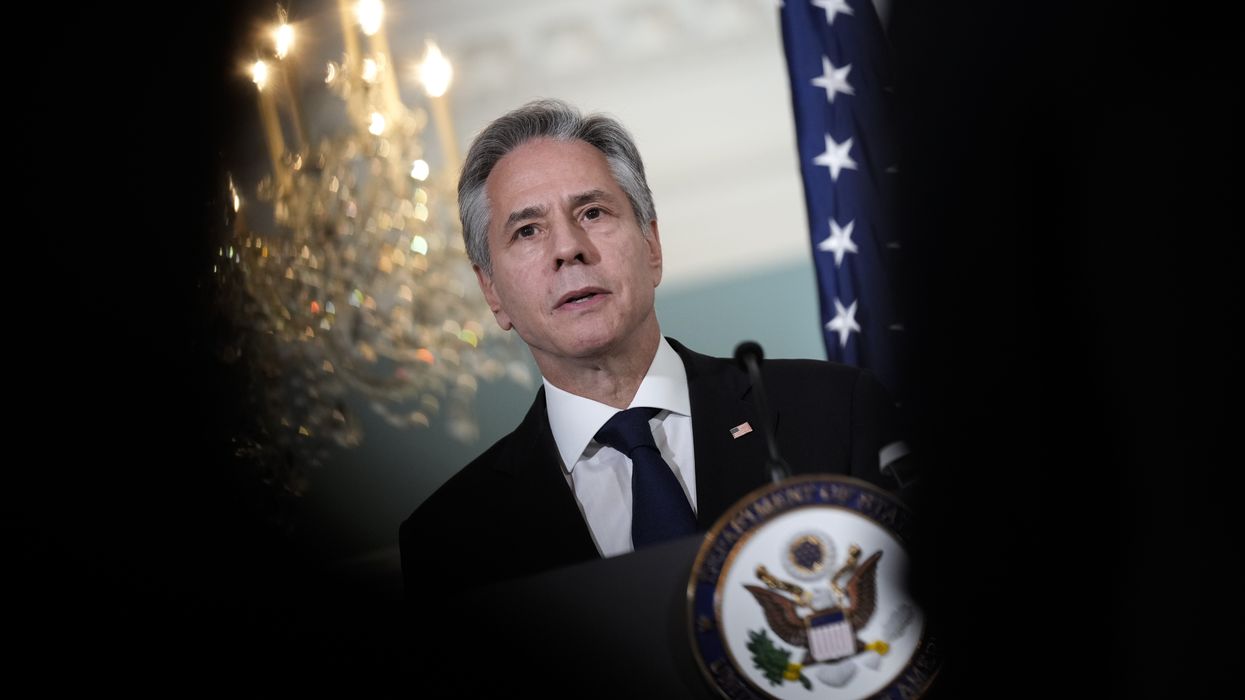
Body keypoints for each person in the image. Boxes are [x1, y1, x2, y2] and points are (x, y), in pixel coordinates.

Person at [399, 98, 903, 602]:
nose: (567, 248)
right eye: (527, 230)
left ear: (652, 246)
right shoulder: (451, 536)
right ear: (491, 291)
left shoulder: (835, 408)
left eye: (592, 212)